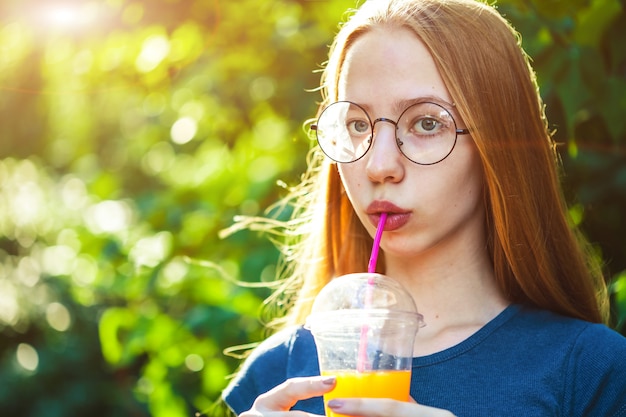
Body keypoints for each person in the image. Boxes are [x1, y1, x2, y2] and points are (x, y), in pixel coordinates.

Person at [220, 0, 626, 416]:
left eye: (426, 123)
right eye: (358, 125)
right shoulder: (276, 376)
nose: (379, 166)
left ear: (499, 144)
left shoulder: (592, 372)